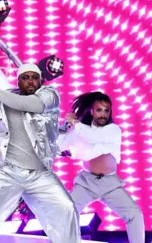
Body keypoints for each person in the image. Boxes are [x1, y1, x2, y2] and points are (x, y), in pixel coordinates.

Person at [0, 64, 80, 243]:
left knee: (67, 209)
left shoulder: (49, 95)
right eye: (25, 77)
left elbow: (29, 105)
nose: (31, 81)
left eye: (34, 77)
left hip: (40, 174)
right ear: (18, 80)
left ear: (40, 80)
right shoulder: (2, 99)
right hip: (6, 172)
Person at [58, 91, 145, 243]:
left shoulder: (113, 130)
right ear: (91, 111)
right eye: (99, 110)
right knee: (67, 215)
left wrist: (75, 124)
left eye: (106, 110)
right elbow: (60, 145)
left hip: (110, 184)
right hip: (86, 183)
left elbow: (93, 138)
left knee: (134, 214)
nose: (103, 114)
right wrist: (65, 127)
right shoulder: (81, 130)